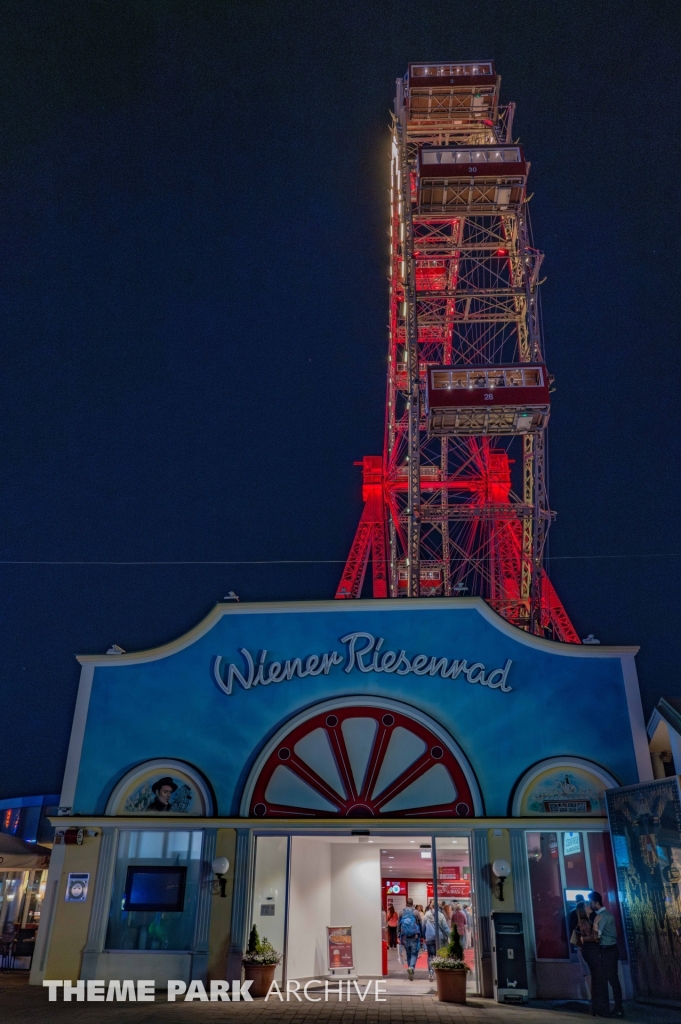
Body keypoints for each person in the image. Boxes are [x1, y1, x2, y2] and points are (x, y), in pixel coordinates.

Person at [589, 891, 624, 1019]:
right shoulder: (607, 914)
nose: (590, 905)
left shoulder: (602, 916)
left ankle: (618, 1008)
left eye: (591, 903)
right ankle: (617, 1007)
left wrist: (594, 924)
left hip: (607, 951)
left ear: (597, 903)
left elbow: (596, 936)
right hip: (611, 950)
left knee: (611, 980)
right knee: (612, 979)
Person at [570, 901, 596, 1001]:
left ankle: (593, 996)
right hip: (587, 948)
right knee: (590, 972)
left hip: (582, 948)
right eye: (586, 905)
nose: (589, 906)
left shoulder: (578, 918)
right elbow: (593, 937)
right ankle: (594, 996)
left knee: (588, 972)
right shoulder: (587, 921)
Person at [398, 898, 424, 981]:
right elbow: (420, 923)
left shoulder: (401, 912)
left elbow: (399, 924)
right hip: (414, 936)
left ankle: (410, 969)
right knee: (414, 954)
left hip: (405, 937)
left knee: (408, 954)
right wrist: (422, 935)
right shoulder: (415, 912)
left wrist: (398, 935)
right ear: (412, 904)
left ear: (406, 903)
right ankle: (411, 967)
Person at [424, 901, 449, 981]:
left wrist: (423, 935)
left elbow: (423, 926)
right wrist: (450, 936)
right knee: (439, 955)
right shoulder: (441, 915)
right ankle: (439, 974)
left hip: (429, 937)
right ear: (438, 906)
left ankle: (431, 972)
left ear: (431, 906)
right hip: (439, 938)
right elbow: (445, 928)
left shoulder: (426, 914)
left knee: (431, 956)